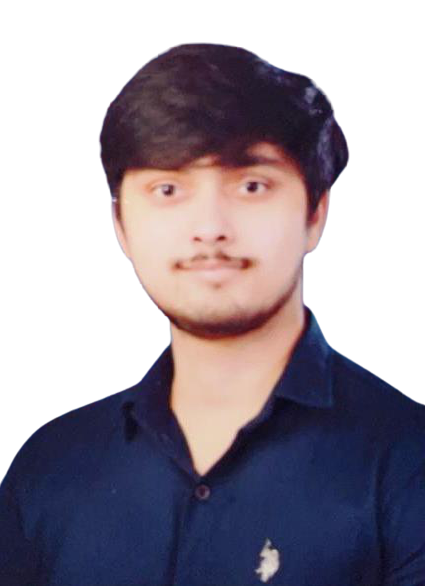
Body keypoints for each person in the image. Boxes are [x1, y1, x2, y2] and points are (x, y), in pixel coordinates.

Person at [1, 43, 423, 586]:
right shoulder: (48, 468)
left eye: (251, 185)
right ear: (120, 225)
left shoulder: (410, 461)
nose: (209, 228)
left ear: (316, 213)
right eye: (168, 188)